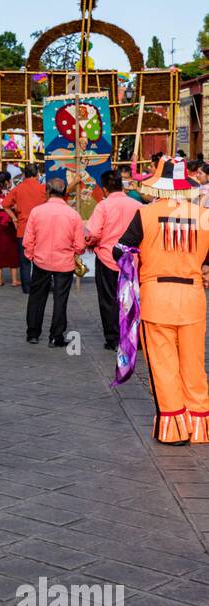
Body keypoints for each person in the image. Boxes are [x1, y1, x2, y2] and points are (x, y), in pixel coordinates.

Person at [114, 157, 209, 445]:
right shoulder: (204, 215)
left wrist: (140, 258)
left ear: (160, 186)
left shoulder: (145, 214)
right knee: (193, 363)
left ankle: (174, 428)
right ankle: (200, 424)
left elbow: (120, 252)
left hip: (157, 297)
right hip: (192, 297)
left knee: (163, 363)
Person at [23, 177, 86, 346]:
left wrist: (31, 255)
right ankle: (55, 335)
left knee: (37, 297)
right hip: (64, 262)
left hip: (41, 260)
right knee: (60, 299)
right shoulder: (73, 214)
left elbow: (28, 240)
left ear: (48, 191)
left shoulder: (37, 211)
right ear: (64, 192)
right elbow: (80, 245)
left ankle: (33, 333)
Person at [85, 169, 141, 349]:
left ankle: (114, 338)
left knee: (108, 299)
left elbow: (92, 233)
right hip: (132, 259)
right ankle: (132, 336)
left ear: (104, 189)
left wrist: (90, 243)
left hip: (107, 258)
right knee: (131, 297)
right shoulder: (137, 205)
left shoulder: (103, 206)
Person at [3, 161, 46, 293]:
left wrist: (14, 218)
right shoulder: (43, 188)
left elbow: (5, 204)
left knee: (25, 261)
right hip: (40, 229)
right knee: (41, 260)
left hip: (23, 228)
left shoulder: (18, 189)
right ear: (37, 174)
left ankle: (26, 287)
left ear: (24, 175)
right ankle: (41, 285)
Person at [0, 171, 20, 287]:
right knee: (12, 248)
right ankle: (14, 280)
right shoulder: (11, 192)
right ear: (7, 181)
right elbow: (15, 206)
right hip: (9, 219)